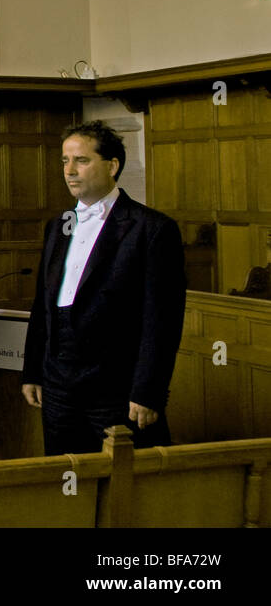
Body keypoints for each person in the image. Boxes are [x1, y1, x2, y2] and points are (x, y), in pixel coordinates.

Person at [21, 122, 186, 454]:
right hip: (58, 387)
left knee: (128, 487)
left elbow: (162, 322)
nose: (69, 170)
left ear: (112, 166)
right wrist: (33, 371)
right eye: (64, 161)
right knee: (68, 481)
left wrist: (148, 392)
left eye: (81, 160)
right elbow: (43, 307)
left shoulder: (152, 229)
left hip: (117, 390)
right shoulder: (58, 227)